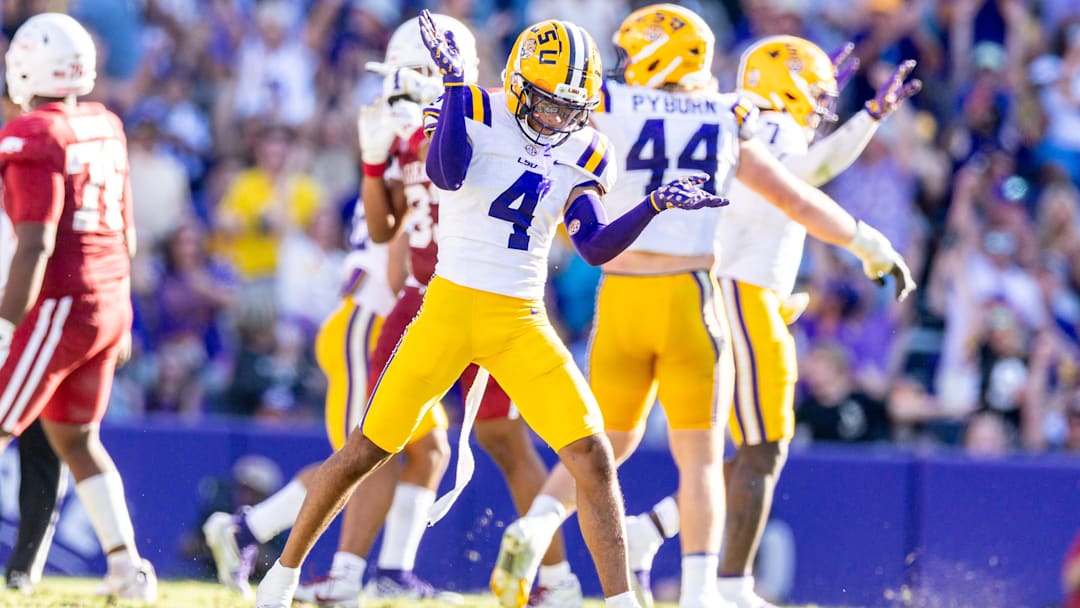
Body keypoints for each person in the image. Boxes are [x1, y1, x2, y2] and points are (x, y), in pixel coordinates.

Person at [254, 10, 728, 608]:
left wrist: (652, 205)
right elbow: (445, 173)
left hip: (520, 321)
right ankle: (283, 578)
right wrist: (454, 87)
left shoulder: (586, 146)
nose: (557, 117)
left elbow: (594, 245)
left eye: (568, 107)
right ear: (519, 82)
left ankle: (618, 602)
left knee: (592, 453)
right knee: (366, 450)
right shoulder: (477, 105)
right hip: (448, 310)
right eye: (547, 102)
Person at [496, 8, 918, 608]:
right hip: (692, 297)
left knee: (604, 444)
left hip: (617, 296)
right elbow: (798, 193)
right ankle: (703, 592)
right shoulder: (727, 115)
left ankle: (535, 529)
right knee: (703, 460)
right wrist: (868, 242)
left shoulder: (611, 105)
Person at [616, 32, 920, 608]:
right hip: (740, 291)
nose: (822, 111)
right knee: (763, 447)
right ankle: (728, 586)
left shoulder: (753, 119)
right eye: (818, 97)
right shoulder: (763, 123)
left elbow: (805, 167)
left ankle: (656, 534)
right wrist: (870, 117)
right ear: (790, 88)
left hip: (749, 293)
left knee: (755, 450)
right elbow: (811, 173)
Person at [295, 14, 583, 607]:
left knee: (494, 438)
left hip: (472, 296)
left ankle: (552, 579)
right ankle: (351, 572)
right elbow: (388, 235)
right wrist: (376, 164)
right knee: (383, 442)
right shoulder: (408, 131)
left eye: (420, 72)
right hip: (434, 300)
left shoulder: (489, 120)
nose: (406, 87)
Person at [0, 13, 156, 601]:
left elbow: (36, 241)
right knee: (75, 437)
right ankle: (127, 568)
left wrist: (5, 324)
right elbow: (127, 233)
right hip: (110, 296)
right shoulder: (105, 122)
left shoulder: (31, 134)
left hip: (62, 303)